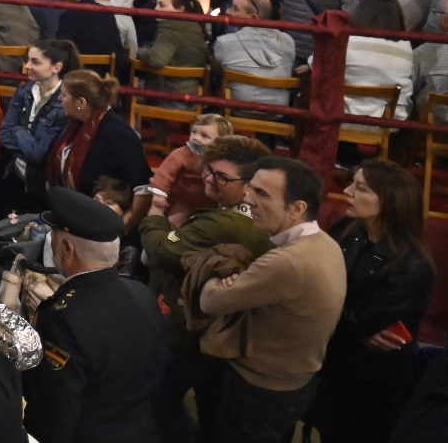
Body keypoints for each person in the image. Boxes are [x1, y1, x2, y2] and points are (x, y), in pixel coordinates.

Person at [194, 156, 346, 443]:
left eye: (262, 193)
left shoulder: (287, 261)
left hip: (258, 390)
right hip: (292, 385)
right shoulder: (326, 243)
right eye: (250, 188)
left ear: (297, 208)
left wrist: (214, 276)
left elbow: (209, 301)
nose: (247, 198)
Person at [139, 134, 274, 443]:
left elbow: (160, 249)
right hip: (213, 332)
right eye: (208, 171)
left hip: (191, 330)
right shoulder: (237, 215)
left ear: (249, 185)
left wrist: (156, 215)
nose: (209, 180)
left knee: (161, 400)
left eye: (221, 177)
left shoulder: (225, 223)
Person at [22, 186, 168, 443]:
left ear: (67, 248)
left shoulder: (63, 319)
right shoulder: (141, 293)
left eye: (53, 237)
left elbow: (54, 410)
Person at [310, 160, 434, 443]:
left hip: (371, 381)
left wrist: (336, 315)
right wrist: (353, 325)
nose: (347, 191)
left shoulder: (412, 265)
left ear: (390, 201)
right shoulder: (348, 229)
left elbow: (363, 321)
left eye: (361, 188)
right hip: (333, 362)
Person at [0, 40, 78, 220]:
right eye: (27, 60)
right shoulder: (24, 90)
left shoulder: (63, 103)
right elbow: (4, 134)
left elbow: (39, 154)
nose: (27, 66)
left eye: (35, 62)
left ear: (56, 68)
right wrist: (25, 142)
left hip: (42, 184)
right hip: (14, 172)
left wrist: (18, 131)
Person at [45, 70, 149, 199]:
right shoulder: (73, 123)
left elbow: (142, 186)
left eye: (64, 95)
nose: (59, 98)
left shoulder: (119, 135)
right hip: (68, 201)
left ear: (81, 103)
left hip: (97, 207)